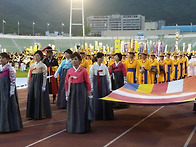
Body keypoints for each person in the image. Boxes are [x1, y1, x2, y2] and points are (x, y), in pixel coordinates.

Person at [65, 52, 92, 133]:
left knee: (81, 108)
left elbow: (88, 82)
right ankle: (72, 127)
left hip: (81, 90)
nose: (74, 61)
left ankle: (82, 127)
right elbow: (66, 82)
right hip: (72, 90)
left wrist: (89, 93)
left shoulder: (83, 70)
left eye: (75, 59)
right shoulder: (69, 71)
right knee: (73, 108)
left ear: (80, 61)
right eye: (72, 59)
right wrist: (67, 93)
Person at [0, 52, 23, 132]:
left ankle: (10, 126)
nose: (1, 60)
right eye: (0, 58)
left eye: (3, 58)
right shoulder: (0, 68)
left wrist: (12, 91)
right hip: (1, 90)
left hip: (7, 90)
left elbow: (13, 81)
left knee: (8, 106)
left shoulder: (10, 68)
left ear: (7, 60)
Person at [26, 50, 51, 120]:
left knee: (38, 97)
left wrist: (43, 85)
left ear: (41, 57)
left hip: (39, 82)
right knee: (32, 96)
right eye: (35, 56)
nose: (36, 57)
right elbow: (29, 75)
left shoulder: (43, 66)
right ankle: (31, 114)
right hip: (33, 82)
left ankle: (39, 114)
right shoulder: (32, 65)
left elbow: (45, 76)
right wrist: (28, 83)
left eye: (38, 56)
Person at [89, 52, 114, 120]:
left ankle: (104, 115)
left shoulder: (104, 66)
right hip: (96, 84)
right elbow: (90, 77)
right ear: (97, 58)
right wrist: (91, 87)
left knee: (104, 98)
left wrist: (109, 87)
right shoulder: (93, 67)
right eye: (100, 58)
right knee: (96, 99)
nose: (101, 59)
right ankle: (96, 115)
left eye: (102, 58)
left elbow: (108, 77)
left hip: (104, 85)